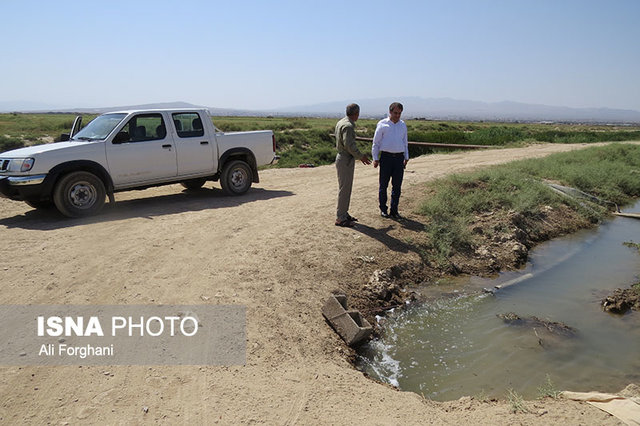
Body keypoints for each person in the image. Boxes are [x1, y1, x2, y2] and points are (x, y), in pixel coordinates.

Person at [335, 103, 371, 227]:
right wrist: (361, 156)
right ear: (356, 113)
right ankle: (341, 217)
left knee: (345, 188)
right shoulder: (348, 126)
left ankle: (344, 213)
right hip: (345, 159)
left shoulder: (341, 122)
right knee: (345, 189)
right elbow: (349, 145)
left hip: (342, 157)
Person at [372, 102, 409, 219]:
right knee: (383, 185)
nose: (397, 115)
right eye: (395, 113)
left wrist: (406, 157)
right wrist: (375, 158)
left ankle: (394, 210)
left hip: (399, 158)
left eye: (399, 113)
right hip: (386, 158)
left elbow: (405, 143)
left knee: (397, 186)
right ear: (390, 112)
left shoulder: (403, 125)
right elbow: (376, 143)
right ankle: (383, 209)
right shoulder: (382, 124)